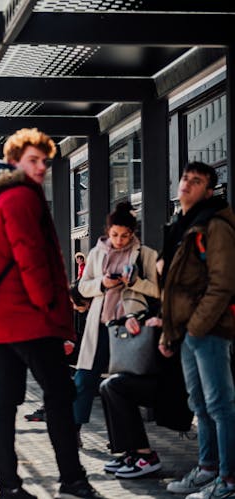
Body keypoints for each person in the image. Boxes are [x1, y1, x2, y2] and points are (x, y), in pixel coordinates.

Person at [0, 128, 102, 499]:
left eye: (45, 160)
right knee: (60, 395)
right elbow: (32, 258)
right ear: (14, 163)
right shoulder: (22, 197)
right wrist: (52, 312)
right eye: (33, 160)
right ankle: (72, 480)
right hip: (28, 318)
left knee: (6, 399)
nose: (41, 167)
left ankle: (9, 487)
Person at [159, 162, 235, 498]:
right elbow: (174, 288)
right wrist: (170, 331)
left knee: (220, 404)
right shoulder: (183, 226)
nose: (187, 184)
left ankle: (229, 480)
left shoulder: (215, 225)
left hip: (210, 330)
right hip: (189, 332)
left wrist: (197, 327)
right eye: (185, 179)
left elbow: (223, 283)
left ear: (209, 190)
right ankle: (208, 470)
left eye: (197, 181)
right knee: (201, 404)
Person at [74, 202, 160, 445]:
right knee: (85, 378)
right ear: (108, 231)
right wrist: (103, 283)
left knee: (121, 385)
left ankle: (120, 438)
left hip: (129, 327)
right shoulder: (96, 252)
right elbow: (83, 286)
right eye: (114, 235)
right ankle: (75, 429)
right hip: (100, 325)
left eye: (125, 235)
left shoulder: (146, 255)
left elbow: (157, 291)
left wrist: (133, 282)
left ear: (133, 233)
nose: (119, 240)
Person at [99, 314, 192, 479]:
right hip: (154, 369)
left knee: (116, 387)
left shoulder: (182, 295)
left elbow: (193, 317)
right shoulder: (163, 295)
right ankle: (132, 452)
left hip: (175, 377)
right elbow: (144, 311)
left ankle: (145, 456)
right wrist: (130, 318)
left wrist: (166, 323)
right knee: (107, 386)